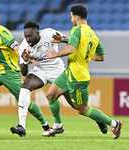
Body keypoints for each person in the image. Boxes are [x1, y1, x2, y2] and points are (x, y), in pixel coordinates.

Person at [10, 21, 107, 137]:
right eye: (26, 36)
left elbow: (70, 42)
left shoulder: (49, 33)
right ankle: (22, 126)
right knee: (25, 87)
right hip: (40, 71)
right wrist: (25, 60)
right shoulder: (24, 47)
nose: (28, 39)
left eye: (30, 36)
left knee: (76, 106)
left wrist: (63, 39)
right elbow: (24, 73)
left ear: (37, 33)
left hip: (57, 70)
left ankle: (98, 119)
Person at [42, 4, 123, 139]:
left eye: (71, 17)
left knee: (82, 109)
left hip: (78, 76)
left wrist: (54, 55)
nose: (71, 20)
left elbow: (70, 49)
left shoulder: (76, 29)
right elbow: (101, 57)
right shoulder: (93, 35)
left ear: (77, 17)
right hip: (69, 72)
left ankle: (114, 123)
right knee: (51, 95)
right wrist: (82, 54)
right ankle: (57, 125)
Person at [0, 9, 51, 135]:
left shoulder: (4, 34)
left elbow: (16, 47)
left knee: (24, 101)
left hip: (9, 73)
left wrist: (25, 56)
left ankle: (46, 125)